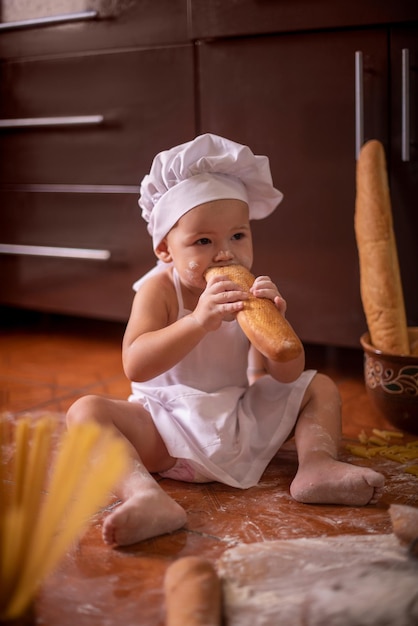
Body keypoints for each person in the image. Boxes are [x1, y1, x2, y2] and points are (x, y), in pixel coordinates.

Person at [66, 134, 385, 547]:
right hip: (165, 430)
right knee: (85, 411)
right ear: (165, 248)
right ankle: (145, 496)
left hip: (236, 417)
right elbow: (136, 364)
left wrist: (277, 326)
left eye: (238, 236)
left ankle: (317, 467)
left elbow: (285, 376)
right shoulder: (159, 290)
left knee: (318, 385)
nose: (225, 254)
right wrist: (198, 320)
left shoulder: (250, 291)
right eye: (203, 241)